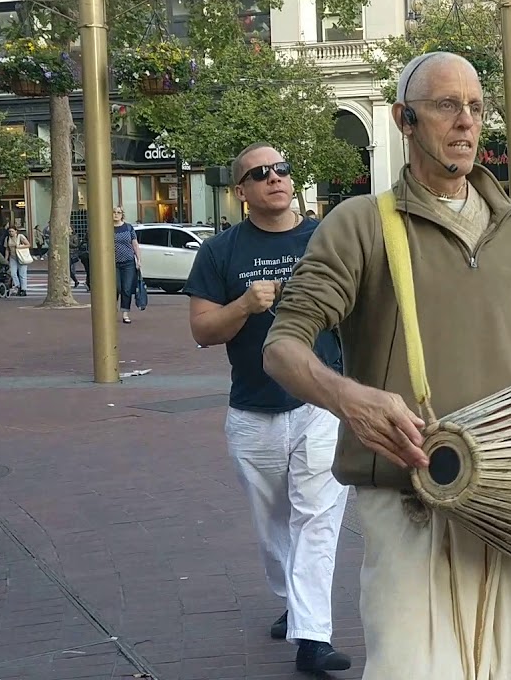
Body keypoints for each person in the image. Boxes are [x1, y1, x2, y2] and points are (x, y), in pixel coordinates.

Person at [259, 51, 511, 680]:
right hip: (410, 492)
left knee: (504, 668)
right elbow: (283, 346)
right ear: (405, 120)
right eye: (446, 105)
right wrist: (349, 399)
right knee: (411, 668)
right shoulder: (360, 225)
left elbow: (509, 320)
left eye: (475, 106)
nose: (466, 121)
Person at [184, 143, 352, 674]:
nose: (274, 178)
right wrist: (244, 305)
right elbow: (202, 330)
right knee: (274, 526)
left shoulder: (326, 239)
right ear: (242, 191)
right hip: (253, 412)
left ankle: (313, 639)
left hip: (320, 403)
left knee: (317, 519)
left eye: (282, 169)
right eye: (260, 174)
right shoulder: (220, 251)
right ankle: (292, 601)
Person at [112, 207, 142, 323]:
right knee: (116, 288)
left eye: (118, 212)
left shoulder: (128, 227)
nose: (116, 214)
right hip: (113, 263)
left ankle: (125, 313)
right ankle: (112, 310)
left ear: (122, 214)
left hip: (128, 262)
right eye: (114, 212)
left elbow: (135, 244)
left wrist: (138, 259)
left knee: (127, 288)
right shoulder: (107, 228)